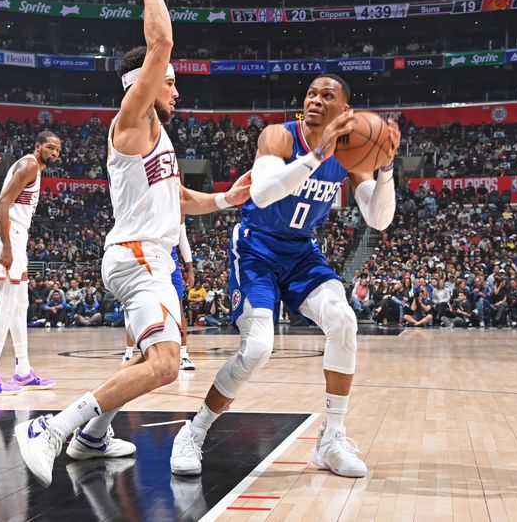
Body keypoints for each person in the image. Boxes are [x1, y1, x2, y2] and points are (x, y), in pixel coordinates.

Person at [14, 0, 252, 488]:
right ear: (143, 83)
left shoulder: (157, 137)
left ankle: (94, 435)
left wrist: (229, 199)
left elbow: (181, 198)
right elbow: (160, 41)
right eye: (169, 82)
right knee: (166, 364)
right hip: (139, 257)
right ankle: (51, 428)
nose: (176, 91)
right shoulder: (131, 123)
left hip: (148, 257)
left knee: (149, 357)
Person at [170, 73, 400, 478]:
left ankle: (331, 439)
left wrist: (385, 170)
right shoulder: (279, 135)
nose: (315, 100)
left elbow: (378, 220)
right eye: (311, 93)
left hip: (300, 251)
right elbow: (262, 193)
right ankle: (193, 432)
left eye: (327, 96)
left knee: (344, 321)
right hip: (256, 248)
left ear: (345, 111)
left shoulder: (348, 154)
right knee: (257, 348)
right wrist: (315, 157)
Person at [0, 131, 61, 396]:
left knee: (21, 302)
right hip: (7, 233)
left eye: (58, 150)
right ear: (38, 146)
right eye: (50, 148)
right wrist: (8, 247)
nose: (54, 153)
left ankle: (23, 370)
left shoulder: (36, 168)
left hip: (15, 233)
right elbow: (1, 206)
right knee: (8, 301)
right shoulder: (29, 165)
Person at [122, 214, 196, 370]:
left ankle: (183, 355)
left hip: (170, 259)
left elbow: (182, 238)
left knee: (178, 307)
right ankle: (128, 353)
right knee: (137, 306)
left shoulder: (176, 204)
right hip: (145, 255)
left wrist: (190, 269)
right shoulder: (145, 202)